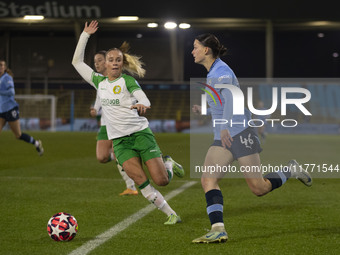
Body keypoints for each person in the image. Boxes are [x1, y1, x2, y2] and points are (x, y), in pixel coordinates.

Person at [191, 34, 312, 243]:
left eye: (195, 47)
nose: (192, 51)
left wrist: (226, 127)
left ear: (206, 50)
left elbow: (230, 99)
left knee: (259, 188)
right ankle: (218, 228)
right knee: (208, 179)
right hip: (225, 136)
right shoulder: (214, 73)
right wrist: (204, 110)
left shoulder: (220, 72)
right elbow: (221, 104)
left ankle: (290, 169)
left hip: (239, 133)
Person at [72, 20, 184, 225]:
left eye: (118, 60)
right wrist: (85, 35)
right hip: (120, 142)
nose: (114, 63)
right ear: (105, 63)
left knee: (162, 180)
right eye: (111, 59)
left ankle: (168, 163)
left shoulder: (128, 81)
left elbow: (144, 98)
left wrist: (142, 105)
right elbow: (77, 63)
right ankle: (171, 214)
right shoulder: (99, 82)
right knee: (141, 182)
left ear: (122, 64)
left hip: (140, 134)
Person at [90, 50, 138, 196]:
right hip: (105, 124)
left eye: (99, 60)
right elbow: (100, 96)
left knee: (119, 154)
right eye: (95, 62)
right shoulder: (100, 80)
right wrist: (95, 108)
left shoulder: (122, 80)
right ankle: (127, 156)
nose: (97, 64)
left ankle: (131, 187)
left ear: (106, 61)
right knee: (102, 157)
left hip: (120, 123)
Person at [0, 59, 44, 156]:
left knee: (18, 135)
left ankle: (37, 143)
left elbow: (12, 92)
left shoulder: (7, 78)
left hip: (11, 110)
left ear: (5, 67)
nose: (0, 67)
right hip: (2, 111)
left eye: (1, 65)